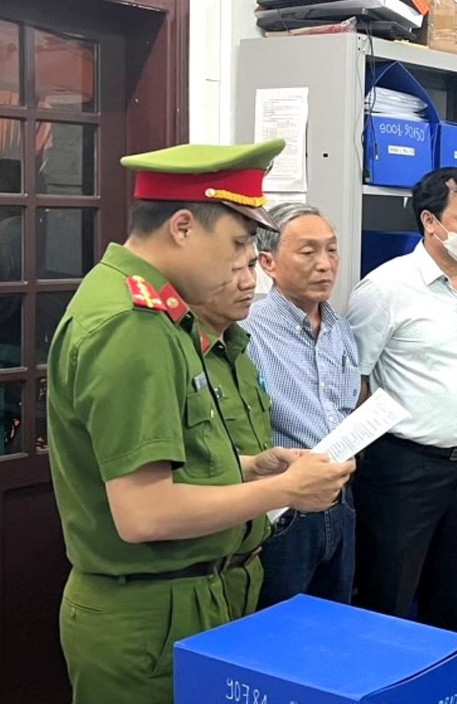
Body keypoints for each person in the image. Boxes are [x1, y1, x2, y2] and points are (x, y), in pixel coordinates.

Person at [47, 140, 355, 704]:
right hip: (152, 617)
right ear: (183, 227)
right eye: (237, 243)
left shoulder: (158, 313)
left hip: (193, 599)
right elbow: (144, 512)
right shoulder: (132, 325)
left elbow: (161, 456)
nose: (244, 264)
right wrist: (285, 490)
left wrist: (250, 466)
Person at [347, 167, 457, 635]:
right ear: (430, 221)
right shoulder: (385, 289)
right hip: (403, 467)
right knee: (387, 597)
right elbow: (352, 381)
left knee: (455, 598)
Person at [246, 202, 360, 608]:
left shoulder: (338, 327)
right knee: (277, 627)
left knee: (334, 624)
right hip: (283, 510)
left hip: (340, 501)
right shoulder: (247, 331)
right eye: (308, 252)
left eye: (331, 250)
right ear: (268, 262)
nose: (325, 264)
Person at [187, 248, 274, 619]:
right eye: (232, 269)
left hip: (249, 565)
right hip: (196, 576)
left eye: (251, 266)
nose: (249, 282)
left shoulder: (240, 348)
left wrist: (259, 466)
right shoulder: (179, 356)